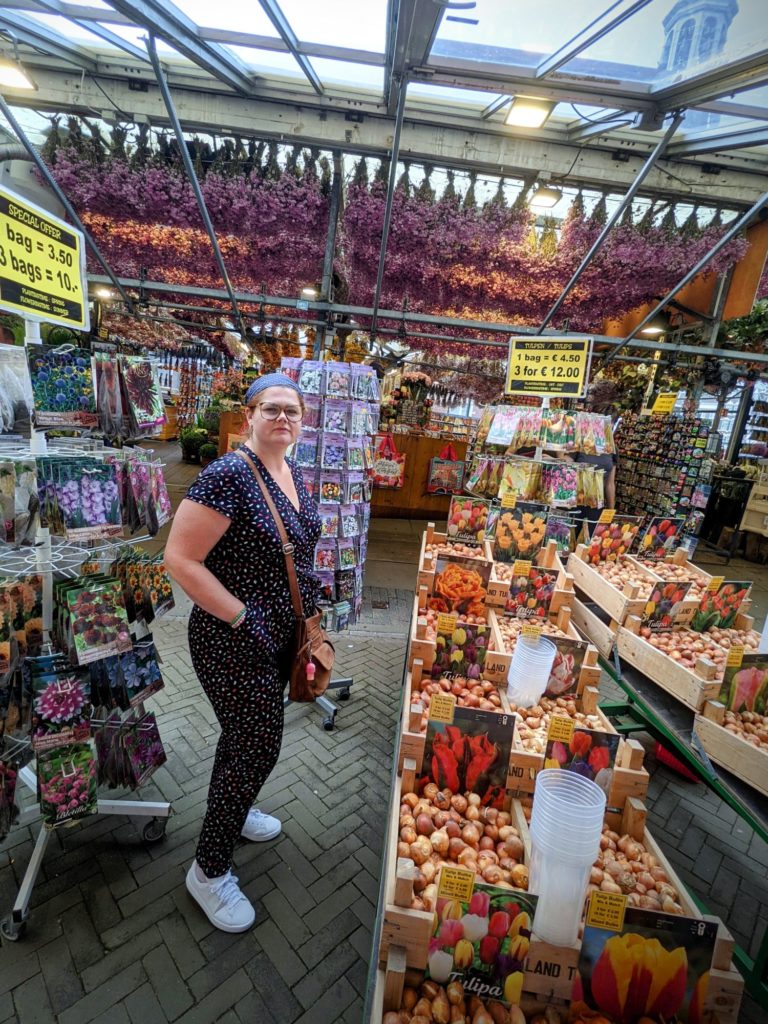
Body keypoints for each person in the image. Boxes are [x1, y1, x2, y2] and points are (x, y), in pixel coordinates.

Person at [164, 372, 321, 933]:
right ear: (249, 415)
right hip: (231, 637)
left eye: (293, 411)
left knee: (247, 744)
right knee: (256, 742)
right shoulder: (228, 474)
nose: (283, 418)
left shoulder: (290, 468)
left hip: (278, 635)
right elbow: (180, 559)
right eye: (271, 408)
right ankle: (208, 871)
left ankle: (237, 808)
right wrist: (241, 615)